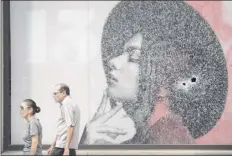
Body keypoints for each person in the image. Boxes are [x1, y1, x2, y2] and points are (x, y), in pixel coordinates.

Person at [80, 1, 228, 144]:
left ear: (163, 81)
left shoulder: (168, 140)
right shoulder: (151, 138)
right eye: (121, 53)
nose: (113, 61)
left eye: (133, 57)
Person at [48, 83, 80, 156]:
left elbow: (70, 127)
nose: (54, 96)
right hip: (63, 146)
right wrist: (53, 145)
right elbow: (62, 128)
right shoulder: (67, 103)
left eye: (55, 93)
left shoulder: (67, 103)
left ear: (64, 93)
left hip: (62, 147)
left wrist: (66, 149)